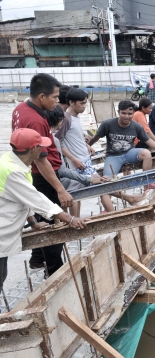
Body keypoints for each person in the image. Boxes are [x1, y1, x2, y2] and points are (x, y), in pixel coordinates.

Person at [0, 129, 88, 290]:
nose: (43, 150)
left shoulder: (11, 161)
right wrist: (70, 219)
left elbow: (22, 199)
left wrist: (33, 222)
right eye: (41, 146)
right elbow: (37, 200)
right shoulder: (11, 171)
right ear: (34, 150)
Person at [12, 73, 73, 275]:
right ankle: (55, 270)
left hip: (33, 173)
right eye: (55, 97)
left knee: (40, 219)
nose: (57, 102)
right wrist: (60, 189)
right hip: (43, 176)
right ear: (41, 97)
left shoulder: (21, 108)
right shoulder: (37, 120)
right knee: (53, 221)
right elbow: (41, 159)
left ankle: (37, 259)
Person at [87, 101, 155, 186]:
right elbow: (96, 138)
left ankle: (147, 184)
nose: (127, 116)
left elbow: (148, 140)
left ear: (133, 113)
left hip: (129, 153)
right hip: (113, 156)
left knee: (146, 153)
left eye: (130, 114)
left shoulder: (136, 126)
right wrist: (88, 146)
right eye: (123, 113)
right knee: (107, 180)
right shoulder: (107, 124)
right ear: (118, 112)